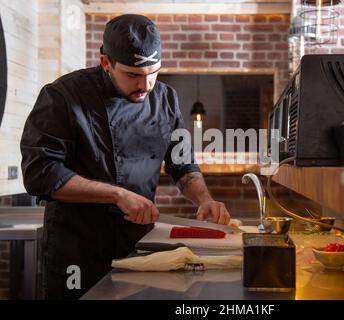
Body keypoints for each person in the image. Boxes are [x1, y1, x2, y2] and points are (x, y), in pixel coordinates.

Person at [20, 14, 231, 300]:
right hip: (78, 250)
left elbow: (182, 164)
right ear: (106, 63)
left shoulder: (166, 100)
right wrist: (117, 194)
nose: (145, 85)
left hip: (139, 246)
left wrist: (204, 199)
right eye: (133, 75)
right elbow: (39, 174)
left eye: (153, 72)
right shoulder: (63, 96)